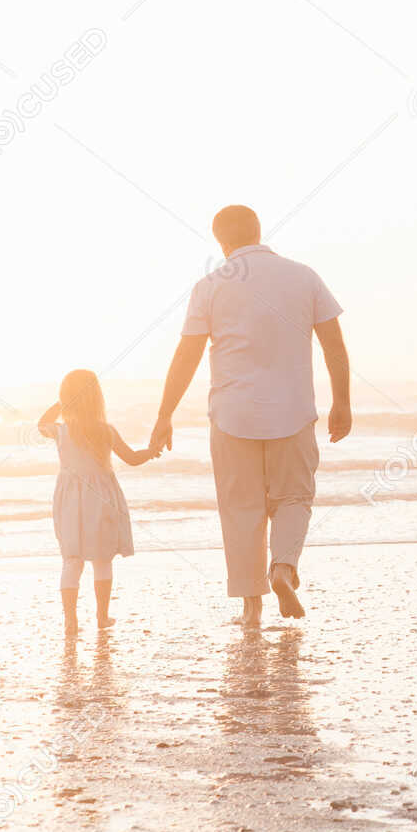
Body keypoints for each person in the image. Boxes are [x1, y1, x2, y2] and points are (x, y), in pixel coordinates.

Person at [150, 205, 350, 628]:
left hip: (231, 416)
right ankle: (283, 569)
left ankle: (251, 606)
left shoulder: (210, 286)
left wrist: (164, 414)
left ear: (221, 242)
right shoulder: (304, 276)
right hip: (294, 411)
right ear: (260, 232)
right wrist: (342, 402)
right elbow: (333, 344)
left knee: (241, 508)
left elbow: (186, 355)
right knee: (294, 497)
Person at [38, 369, 156, 636]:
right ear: (97, 398)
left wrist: (62, 402)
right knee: (102, 559)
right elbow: (133, 458)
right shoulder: (106, 430)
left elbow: (40, 424)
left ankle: (71, 621)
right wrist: (152, 450)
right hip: (102, 500)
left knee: (72, 559)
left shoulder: (60, 431)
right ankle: (102, 617)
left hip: (69, 500)